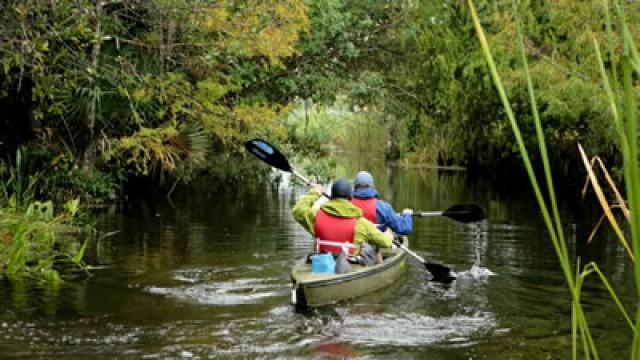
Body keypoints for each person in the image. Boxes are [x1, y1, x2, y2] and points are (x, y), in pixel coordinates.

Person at [291, 178, 393, 267]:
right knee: (374, 247)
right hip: (350, 265)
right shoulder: (361, 223)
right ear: (350, 198)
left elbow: (298, 210)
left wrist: (315, 192)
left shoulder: (316, 215)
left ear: (332, 195)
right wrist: (388, 234)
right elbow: (386, 243)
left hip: (322, 261)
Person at [351, 170, 413, 235]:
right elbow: (405, 228)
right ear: (372, 186)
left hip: (354, 242)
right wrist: (407, 215)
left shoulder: (348, 204)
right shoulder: (383, 207)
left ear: (354, 186)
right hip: (376, 242)